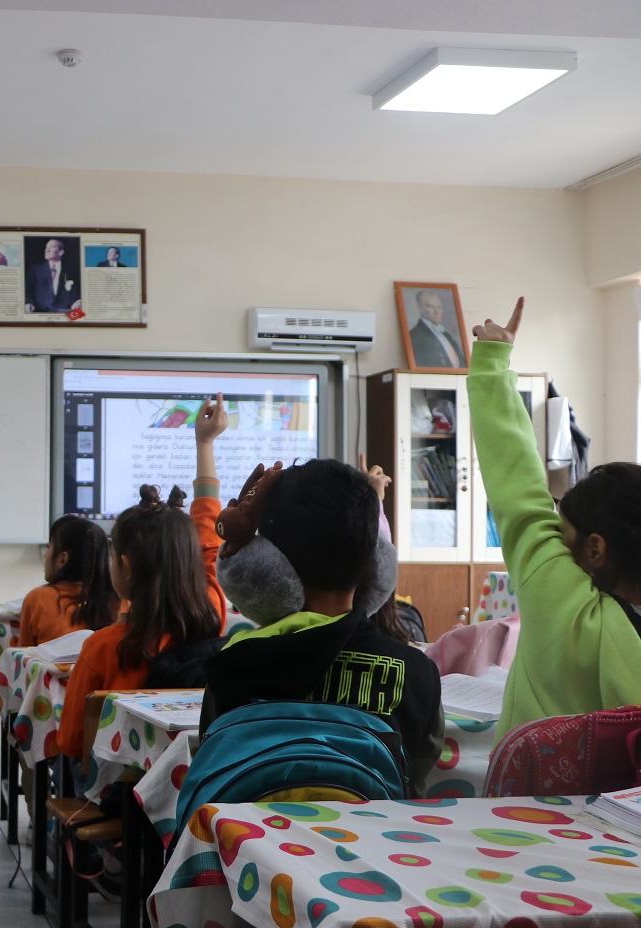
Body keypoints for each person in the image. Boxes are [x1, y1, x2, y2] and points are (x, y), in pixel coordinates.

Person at [201, 458, 444, 795]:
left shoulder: (233, 664)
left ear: (268, 563)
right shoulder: (418, 672)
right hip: (370, 843)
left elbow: (211, 760)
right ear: (374, 560)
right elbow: (413, 782)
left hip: (247, 843)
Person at [469, 297, 641, 737]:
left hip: (524, 803)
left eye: (563, 534)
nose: (556, 543)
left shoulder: (561, 597)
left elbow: (519, 486)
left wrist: (492, 362)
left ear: (596, 548)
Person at [56, 396, 230, 759]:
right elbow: (209, 535)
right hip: (192, 787)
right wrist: (205, 443)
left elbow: (73, 743)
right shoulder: (212, 610)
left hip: (122, 799)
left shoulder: (103, 647)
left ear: (126, 566)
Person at [20, 515, 117, 648]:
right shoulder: (120, 602)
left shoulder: (37, 600)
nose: (45, 554)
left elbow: (21, 658)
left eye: (49, 547)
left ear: (63, 559)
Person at [407, 289, 468, 368]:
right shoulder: (414, 336)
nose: (436, 311)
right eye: (430, 306)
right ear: (420, 308)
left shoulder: (446, 335)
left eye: (439, 307)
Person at [26, 238, 82, 314]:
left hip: (64, 316)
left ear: (61, 252)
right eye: (46, 247)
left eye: (52, 246)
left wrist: (78, 301)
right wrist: (28, 302)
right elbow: (28, 290)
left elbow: (78, 292)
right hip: (40, 314)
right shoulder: (35, 269)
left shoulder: (72, 271)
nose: (47, 250)